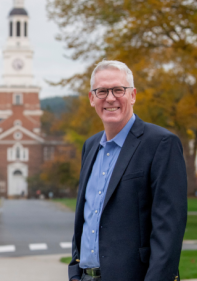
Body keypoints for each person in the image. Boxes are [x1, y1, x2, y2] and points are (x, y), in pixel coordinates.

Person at [68, 60, 187, 281]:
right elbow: (86, 216)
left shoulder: (161, 144)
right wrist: (75, 271)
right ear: (92, 98)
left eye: (118, 90)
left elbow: (169, 230)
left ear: (132, 95)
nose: (110, 98)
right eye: (102, 91)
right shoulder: (90, 146)